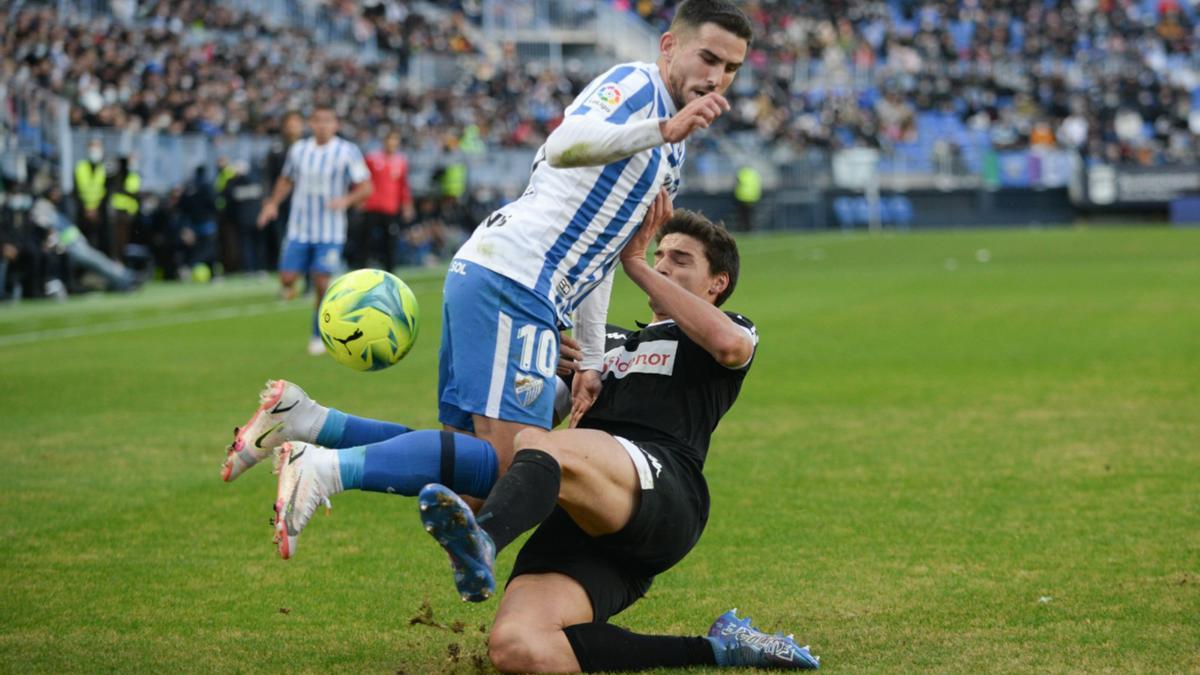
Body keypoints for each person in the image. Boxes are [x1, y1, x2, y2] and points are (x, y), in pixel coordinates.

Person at [224, 0, 752, 554]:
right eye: (708, 57)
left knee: (472, 481)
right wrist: (661, 127)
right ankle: (325, 465)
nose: (716, 78)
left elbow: (605, 254)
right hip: (517, 279)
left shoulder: (672, 146)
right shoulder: (638, 89)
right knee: (513, 467)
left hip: (505, 278)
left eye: (731, 68)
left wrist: (593, 360)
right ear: (670, 46)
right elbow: (564, 143)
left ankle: (308, 421)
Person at [416, 201, 819, 672]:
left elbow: (731, 347)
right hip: (585, 513)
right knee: (518, 647)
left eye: (680, 260)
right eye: (659, 255)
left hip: (663, 492)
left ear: (718, 284)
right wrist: (542, 365)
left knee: (543, 448)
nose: (662, 264)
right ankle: (721, 647)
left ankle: (483, 540)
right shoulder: (599, 344)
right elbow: (529, 421)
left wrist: (632, 263)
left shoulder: (726, 331)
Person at [255, 103, 373, 355]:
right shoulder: (299, 150)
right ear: (311, 123)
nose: (323, 126)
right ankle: (306, 285)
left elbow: (365, 186)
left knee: (321, 283)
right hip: (300, 227)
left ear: (335, 124)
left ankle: (317, 334)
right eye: (318, 120)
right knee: (287, 278)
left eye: (328, 121)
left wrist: (346, 200)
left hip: (330, 231)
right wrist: (272, 204)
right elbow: (286, 179)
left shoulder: (346, 151)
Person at [356, 130, 414, 271]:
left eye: (395, 140)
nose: (392, 143)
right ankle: (362, 270)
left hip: (390, 208)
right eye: (390, 139)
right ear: (384, 141)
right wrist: (360, 199)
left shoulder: (401, 162)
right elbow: (362, 180)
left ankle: (390, 273)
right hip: (371, 206)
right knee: (365, 242)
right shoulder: (372, 158)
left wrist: (407, 205)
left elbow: (403, 186)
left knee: (390, 244)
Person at [259, 111, 304, 272]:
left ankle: (308, 279)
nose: (293, 128)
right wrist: (269, 199)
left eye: (296, 124)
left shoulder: (310, 147)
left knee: (307, 239)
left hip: (305, 202)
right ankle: (287, 274)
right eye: (289, 124)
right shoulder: (276, 149)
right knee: (284, 239)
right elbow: (268, 175)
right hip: (283, 201)